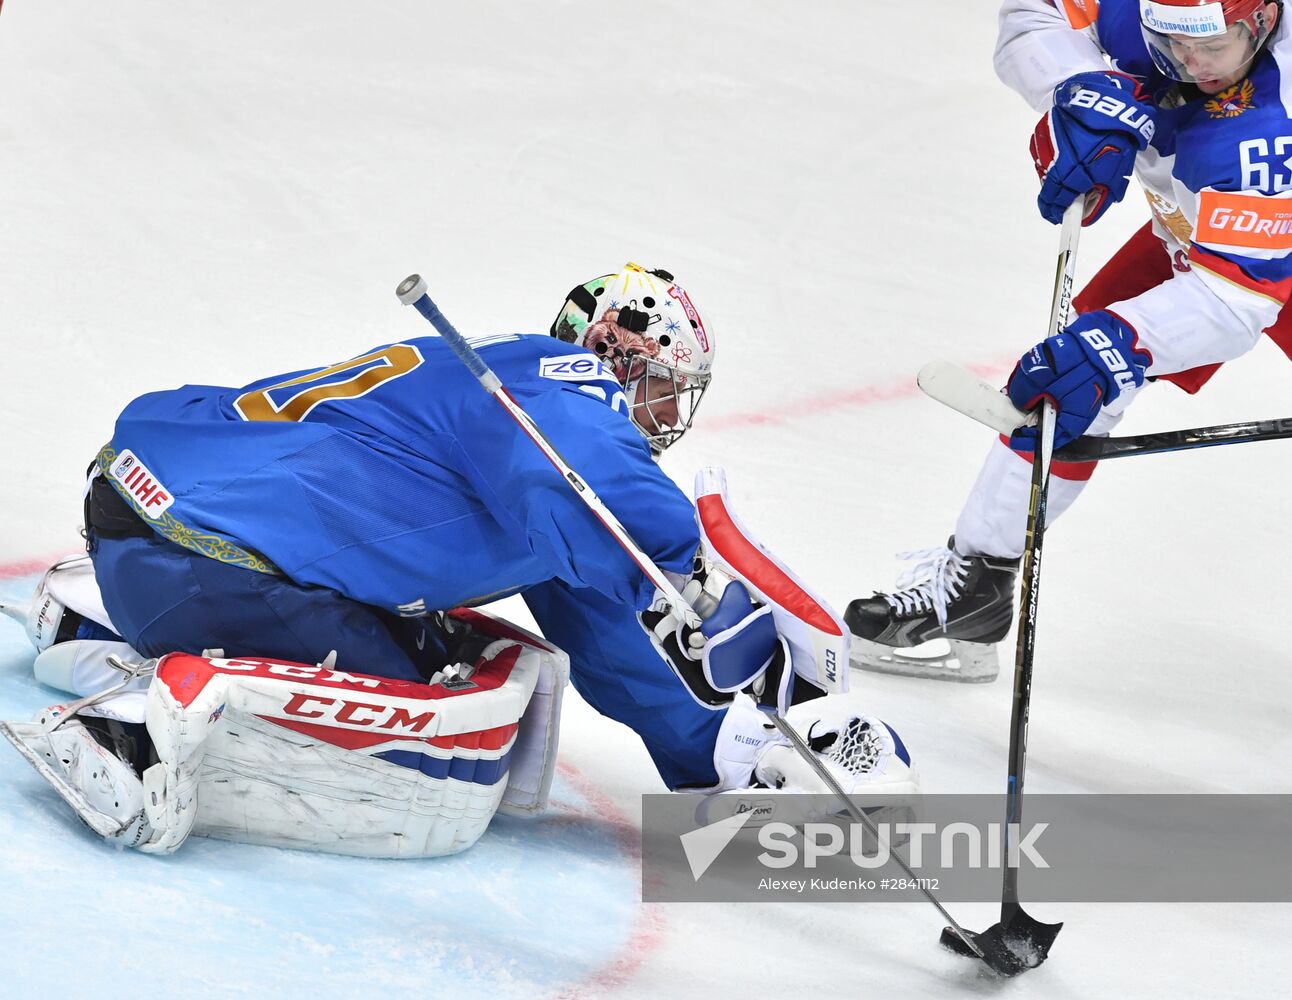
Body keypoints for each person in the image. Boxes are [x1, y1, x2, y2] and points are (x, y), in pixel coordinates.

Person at [2, 263, 916, 855]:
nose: (668, 417)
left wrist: (717, 746)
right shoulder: (557, 390)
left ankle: (96, 620)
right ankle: (134, 723)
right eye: (666, 388)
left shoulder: (495, 386)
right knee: (445, 714)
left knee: (452, 649)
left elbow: (591, 615)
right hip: (206, 559)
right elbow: (585, 486)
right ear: (621, 353)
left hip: (145, 511)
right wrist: (688, 580)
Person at [846, 0, 1292, 681]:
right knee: (1071, 380)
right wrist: (1078, 89)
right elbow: (1033, 15)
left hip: (1251, 257)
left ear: (1261, 24)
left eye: (1214, 47)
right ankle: (977, 585)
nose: (1190, 64)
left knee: (1103, 353)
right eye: (1170, 43)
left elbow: (1238, 300)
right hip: (1208, 230)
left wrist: (1127, 342)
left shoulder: (1272, 125)